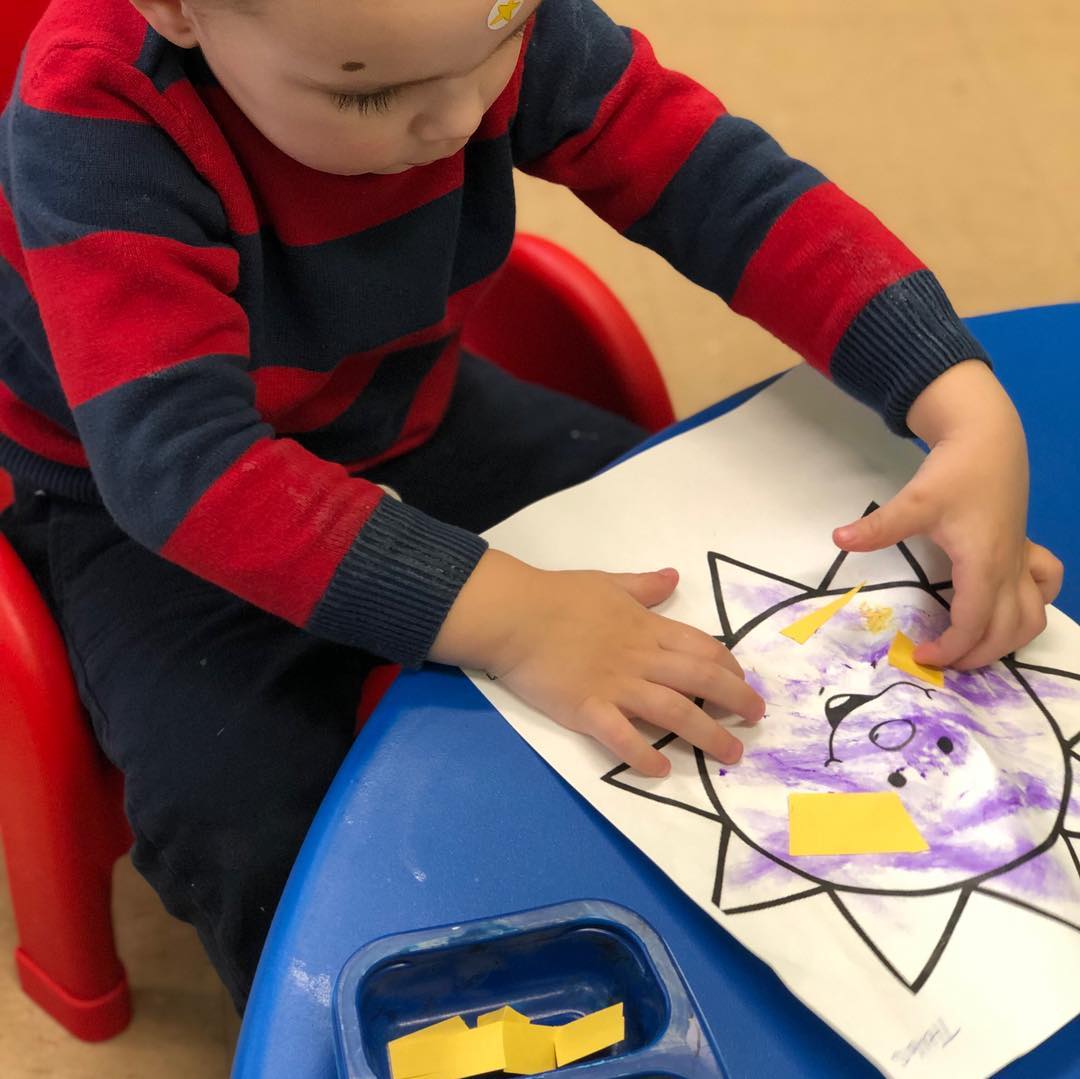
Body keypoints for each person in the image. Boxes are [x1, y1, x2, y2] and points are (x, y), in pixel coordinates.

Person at [0, 0, 1062, 1010]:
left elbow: (717, 181)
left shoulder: (475, 23)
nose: (462, 119)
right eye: (370, 94)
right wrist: (515, 618)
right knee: (247, 816)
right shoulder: (96, 120)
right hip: (143, 505)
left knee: (729, 613)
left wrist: (955, 395)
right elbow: (180, 466)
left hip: (404, 407)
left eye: (501, 41)